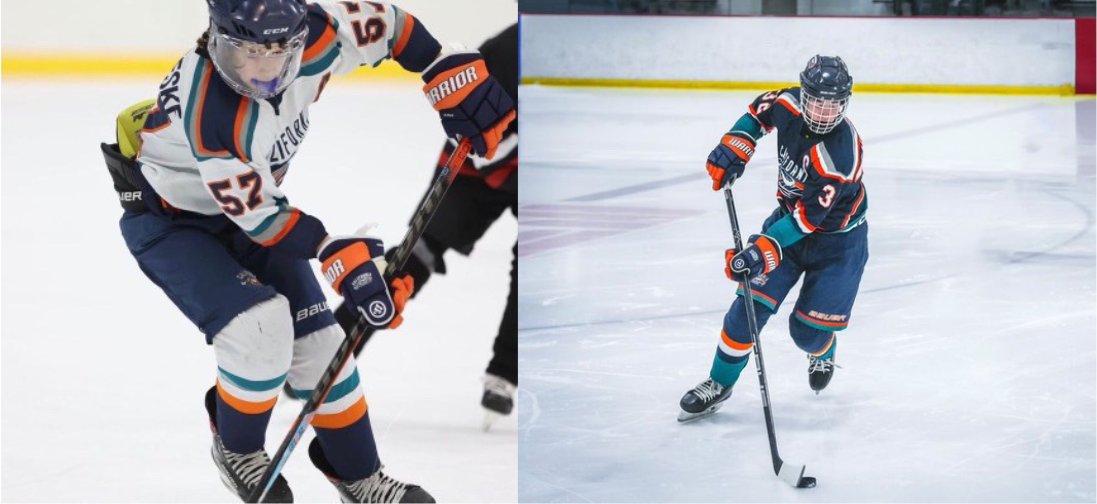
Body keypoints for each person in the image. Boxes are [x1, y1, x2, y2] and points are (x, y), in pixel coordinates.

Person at [99, 0, 515, 501]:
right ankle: (238, 448)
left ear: (301, 35)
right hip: (174, 222)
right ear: (215, 37)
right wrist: (335, 254)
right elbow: (262, 217)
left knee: (323, 351)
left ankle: (360, 477)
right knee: (260, 331)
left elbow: (391, 27)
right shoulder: (213, 109)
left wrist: (441, 65)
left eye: (279, 53)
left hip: (251, 215)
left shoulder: (324, 30)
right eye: (245, 54)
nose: (263, 71)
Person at [331, 21, 518, 431]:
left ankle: (505, 373)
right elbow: (468, 125)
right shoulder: (505, 51)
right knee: (419, 252)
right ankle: (330, 349)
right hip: (477, 166)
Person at [678, 55, 868, 422]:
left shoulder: (840, 156)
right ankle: (719, 383)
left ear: (845, 103)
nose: (824, 112)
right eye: (817, 101)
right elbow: (756, 115)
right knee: (748, 307)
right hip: (789, 222)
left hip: (837, 245)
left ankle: (823, 348)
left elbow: (807, 220)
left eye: (834, 105)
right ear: (804, 93)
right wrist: (738, 143)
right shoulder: (787, 102)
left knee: (806, 334)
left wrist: (762, 249)